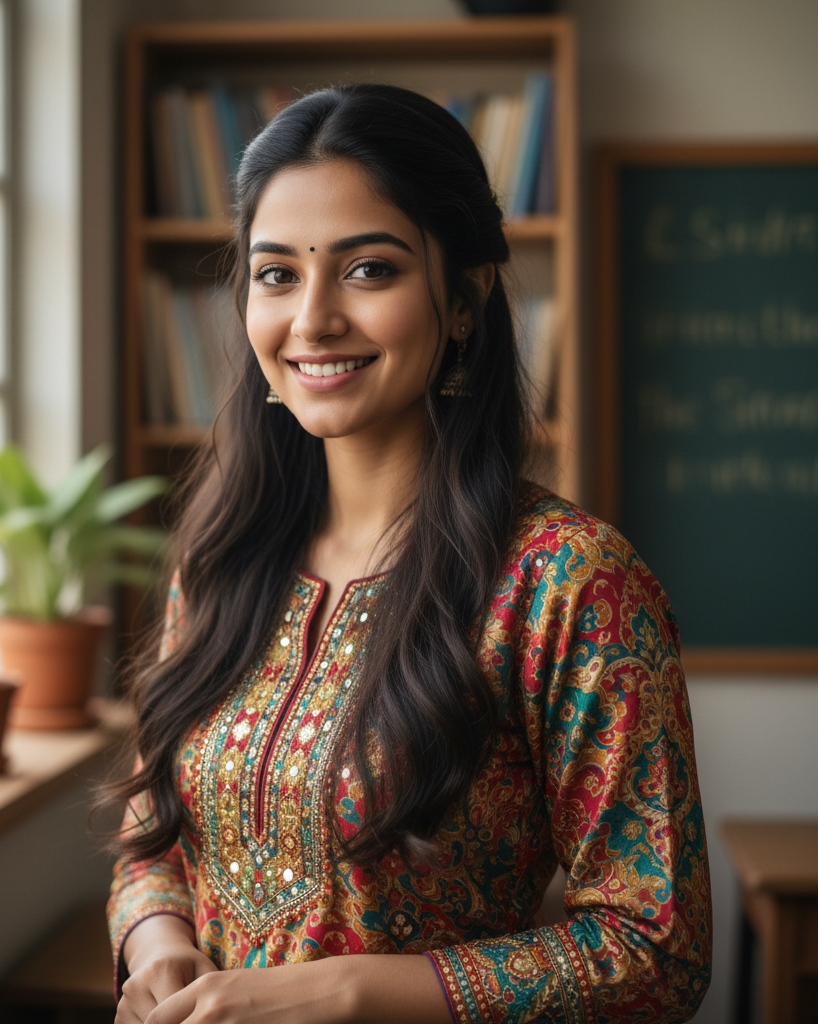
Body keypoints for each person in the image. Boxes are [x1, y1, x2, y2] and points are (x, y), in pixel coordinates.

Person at [106, 84, 711, 1024]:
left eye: (368, 270)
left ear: (463, 298)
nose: (311, 319)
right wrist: (159, 946)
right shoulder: (223, 562)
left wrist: (352, 994)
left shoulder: (568, 583)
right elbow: (154, 837)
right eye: (276, 274)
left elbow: (656, 949)